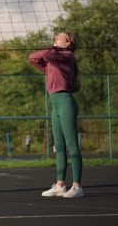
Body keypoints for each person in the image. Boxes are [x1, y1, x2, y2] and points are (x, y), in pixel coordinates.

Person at [29, 32, 83, 198]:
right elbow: (32, 57)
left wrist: (54, 48)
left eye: (60, 37)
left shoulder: (67, 55)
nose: (56, 38)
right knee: (59, 146)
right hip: (56, 106)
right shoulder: (54, 59)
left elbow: (45, 54)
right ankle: (60, 185)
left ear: (68, 43)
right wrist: (53, 48)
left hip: (66, 103)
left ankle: (77, 187)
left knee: (72, 145)